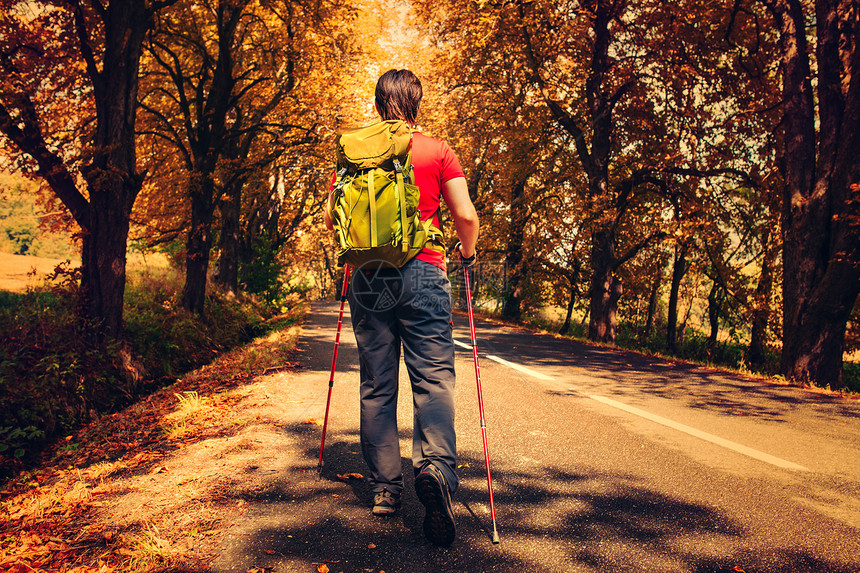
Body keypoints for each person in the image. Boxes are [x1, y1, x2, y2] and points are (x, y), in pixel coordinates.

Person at [323, 69, 479, 546]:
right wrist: (467, 254)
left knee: (377, 384)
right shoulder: (437, 150)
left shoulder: (352, 154)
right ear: (417, 103)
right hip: (425, 271)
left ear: (376, 104)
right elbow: (466, 215)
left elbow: (336, 221)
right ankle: (434, 471)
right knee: (433, 379)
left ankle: (385, 490)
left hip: (370, 278)